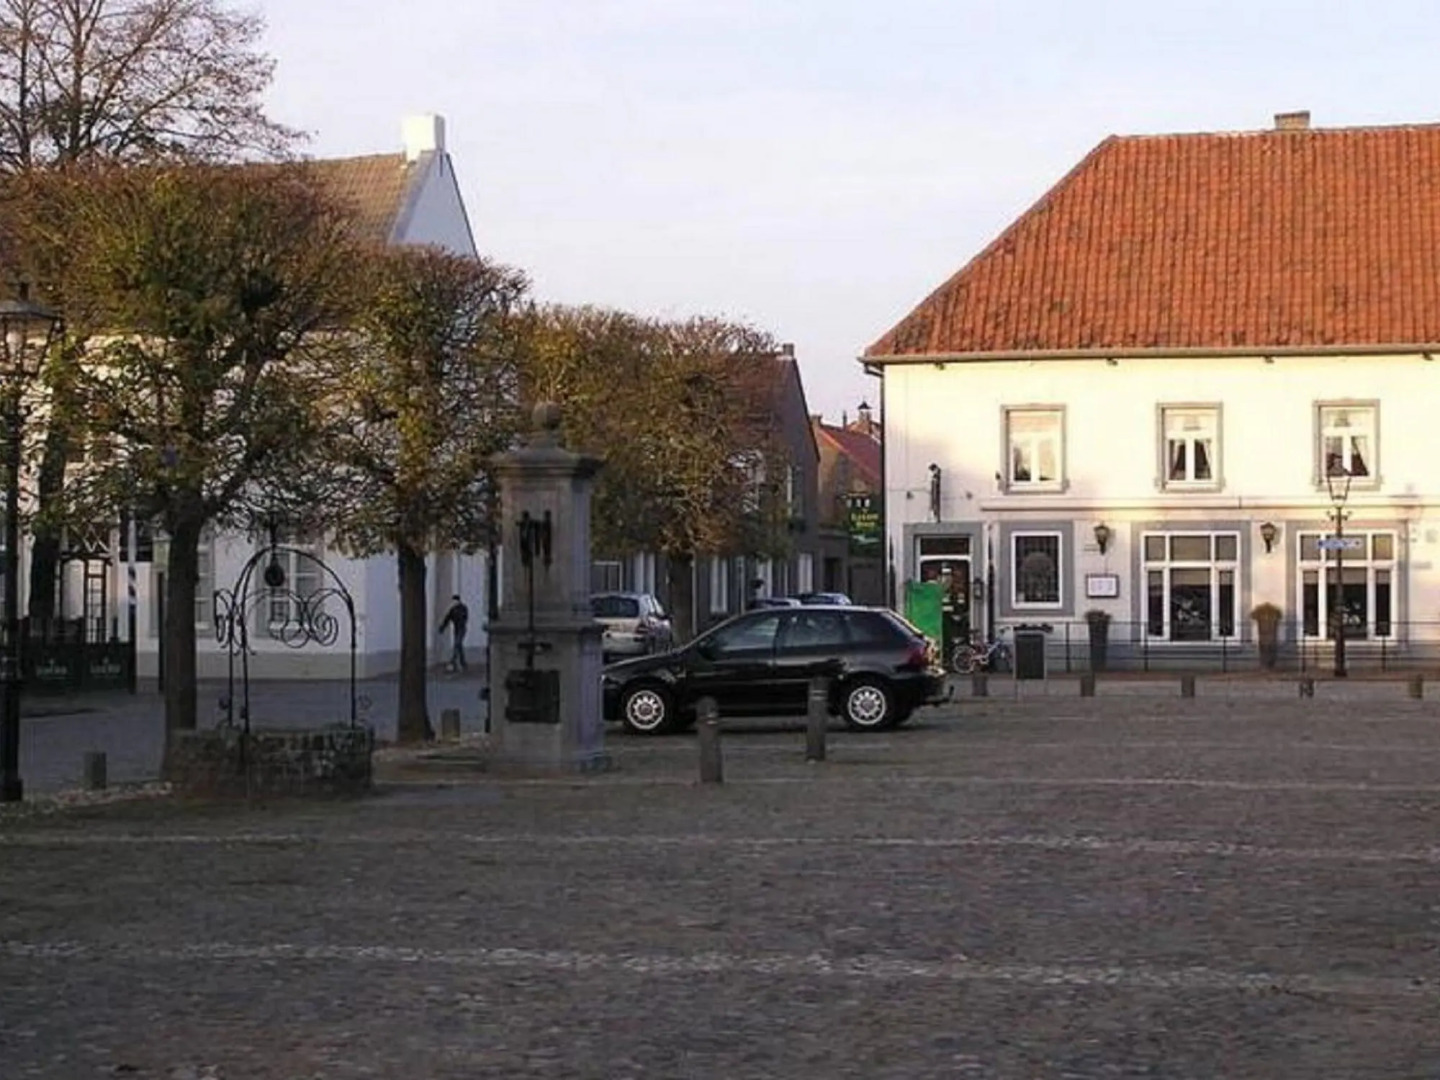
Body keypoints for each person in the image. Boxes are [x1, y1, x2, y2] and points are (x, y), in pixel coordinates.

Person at [439, 594, 469, 673]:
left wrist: (442, 627)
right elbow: (447, 619)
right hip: (457, 629)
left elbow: (464, 618)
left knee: (457, 644)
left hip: (461, 629)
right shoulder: (453, 610)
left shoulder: (462, 608)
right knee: (459, 645)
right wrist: (442, 627)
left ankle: (453, 661)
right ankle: (463, 662)